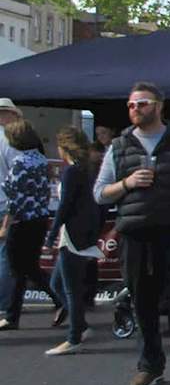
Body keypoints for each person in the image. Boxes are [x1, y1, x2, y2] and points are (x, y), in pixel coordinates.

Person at [93, 82, 170, 385]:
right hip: (135, 236)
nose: (136, 109)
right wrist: (127, 183)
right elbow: (100, 193)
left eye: (142, 103)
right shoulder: (119, 146)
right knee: (142, 305)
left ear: (159, 106)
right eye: (131, 105)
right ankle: (150, 367)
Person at [44, 127, 104, 355]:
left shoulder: (72, 172)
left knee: (70, 289)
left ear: (64, 147)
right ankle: (80, 326)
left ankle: (74, 337)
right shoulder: (86, 170)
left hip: (72, 236)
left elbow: (65, 206)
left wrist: (52, 234)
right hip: (80, 233)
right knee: (57, 284)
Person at [0, 120, 60, 331]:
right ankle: (60, 300)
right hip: (39, 219)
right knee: (30, 268)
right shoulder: (42, 160)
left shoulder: (20, 163)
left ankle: (12, 316)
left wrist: (5, 225)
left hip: (22, 221)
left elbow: (14, 199)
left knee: (17, 269)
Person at [0, 98, 25, 321]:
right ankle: (4, 302)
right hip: (6, 204)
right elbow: (18, 177)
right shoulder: (10, 142)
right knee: (6, 256)